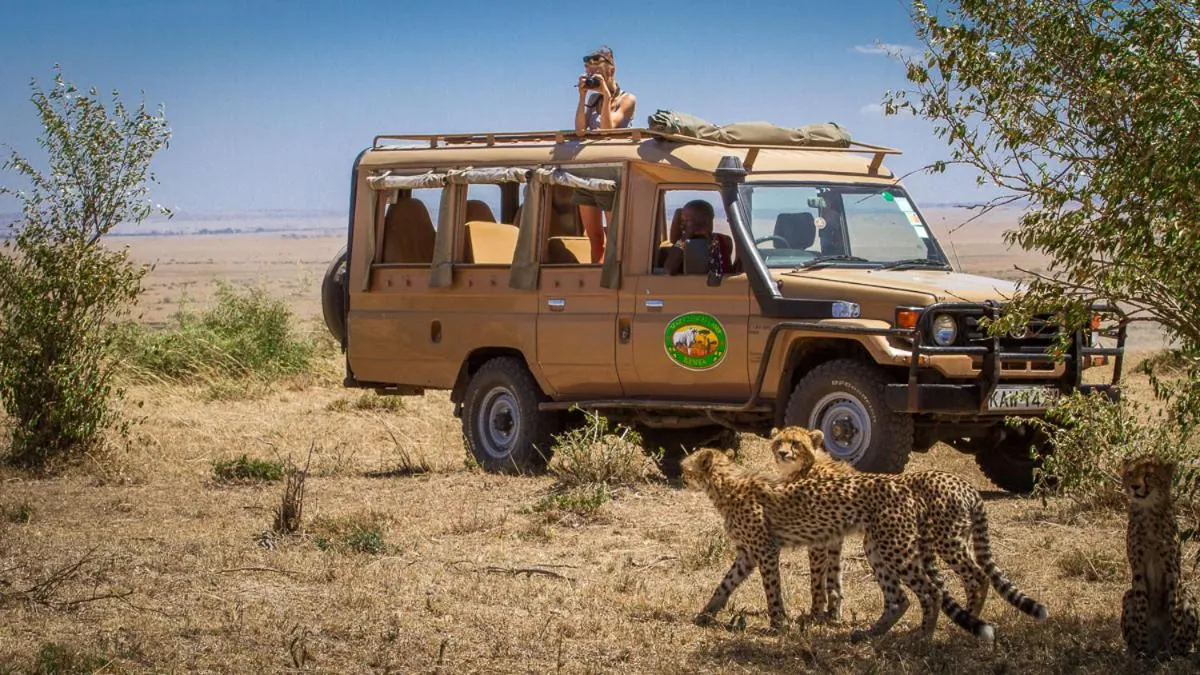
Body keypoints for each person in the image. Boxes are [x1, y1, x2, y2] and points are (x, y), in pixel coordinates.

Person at [573, 46, 637, 263]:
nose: (593, 79)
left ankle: (611, 279)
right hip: (586, 171)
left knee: (614, 237)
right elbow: (580, 131)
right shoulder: (592, 101)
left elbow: (608, 131)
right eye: (590, 74)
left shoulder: (627, 99)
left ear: (611, 70)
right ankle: (595, 279)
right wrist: (582, 97)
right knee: (594, 237)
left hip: (610, 174)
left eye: (597, 74)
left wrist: (606, 95)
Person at [663, 200, 735, 277]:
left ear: (703, 222)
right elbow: (669, 269)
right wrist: (685, 237)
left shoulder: (723, 240)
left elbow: (722, 268)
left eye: (686, 221)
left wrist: (708, 238)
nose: (682, 225)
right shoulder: (681, 243)